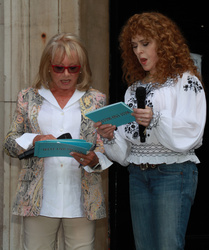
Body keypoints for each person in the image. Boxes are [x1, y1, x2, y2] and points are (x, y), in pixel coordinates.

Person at [95, 12, 206, 250]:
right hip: (138, 175)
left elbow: (192, 131)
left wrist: (156, 118)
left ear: (164, 44)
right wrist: (111, 135)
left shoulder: (185, 81)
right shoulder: (134, 89)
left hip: (173, 174)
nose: (138, 52)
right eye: (134, 46)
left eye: (145, 44)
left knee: (168, 246)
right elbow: (125, 153)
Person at [3, 32, 112, 250]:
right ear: (47, 66)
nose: (66, 74)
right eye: (58, 68)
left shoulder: (96, 100)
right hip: (38, 199)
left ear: (82, 68)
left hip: (82, 199)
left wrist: (93, 160)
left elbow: (105, 146)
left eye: (73, 68)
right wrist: (36, 139)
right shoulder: (29, 97)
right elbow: (9, 142)